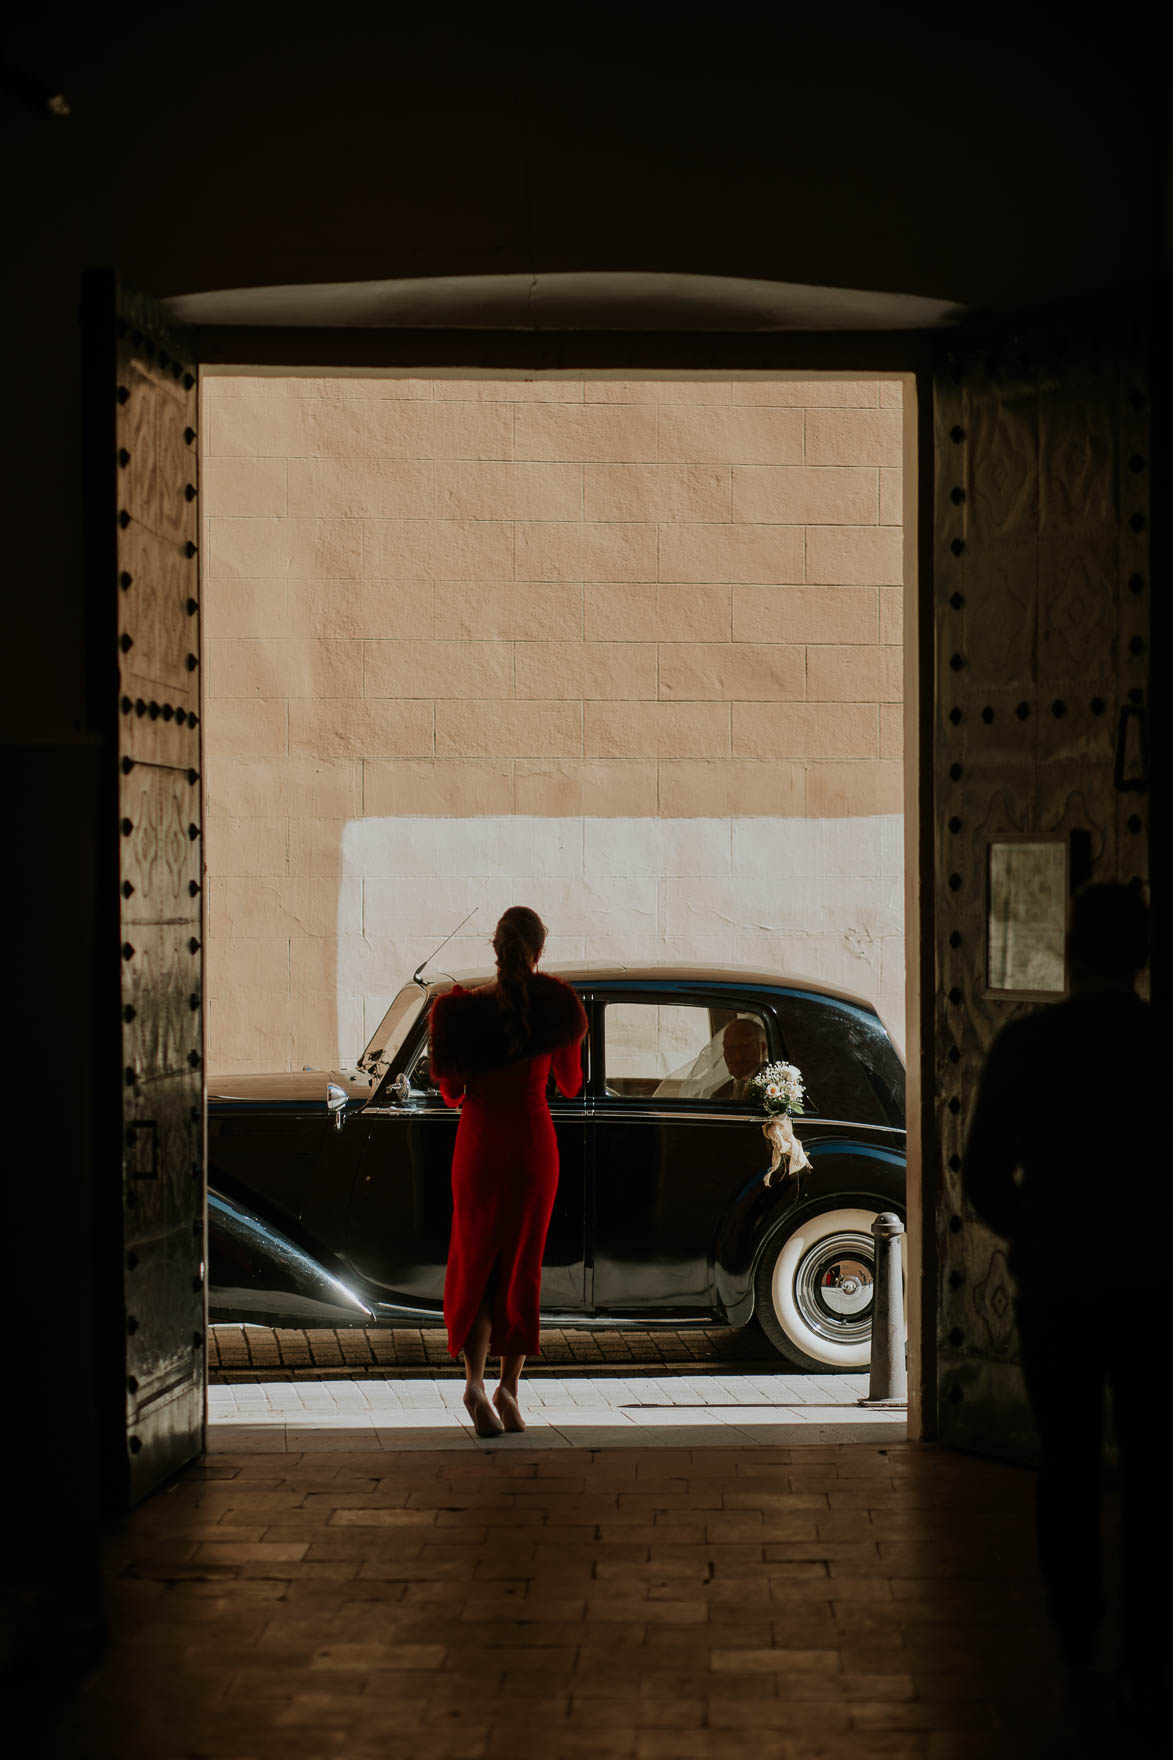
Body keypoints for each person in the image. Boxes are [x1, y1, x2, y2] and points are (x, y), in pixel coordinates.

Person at [964, 881, 1171, 1723]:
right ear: (1142, 956)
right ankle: (1149, 1650)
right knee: (1155, 1467)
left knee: (1067, 1462)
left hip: (1058, 1285)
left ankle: (1076, 1637)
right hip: (1156, 1285)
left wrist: (1033, 1234)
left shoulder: (1027, 1043)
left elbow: (982, 1175)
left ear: (1071, 949)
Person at [428, 906, 587, 1437]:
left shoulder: (459, 1013)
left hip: (477, 1144)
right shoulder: (557, 1006)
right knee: (521, 1266)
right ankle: (510, 1391)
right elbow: (569, 1084)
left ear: (494, 948)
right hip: (531, 1145)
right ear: (539, 949)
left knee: (476, 1261)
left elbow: (451, 1094)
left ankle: (473, 1383)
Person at [711, 1016, 769, 1101]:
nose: (729, 1054)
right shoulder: (720, 1093)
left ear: (762, 1048)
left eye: (738, 1047)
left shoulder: (773, 1087)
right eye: (726, 1047)